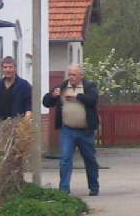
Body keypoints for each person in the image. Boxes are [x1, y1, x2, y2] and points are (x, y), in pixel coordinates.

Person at [43, 64, 100, 196]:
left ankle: (94, 186)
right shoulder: (62, 87)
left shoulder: (89, 86)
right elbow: (46, 102)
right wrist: (53, 95)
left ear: (81, 76)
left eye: (74, 75)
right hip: (67, 130)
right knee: (65, 158)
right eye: (70, 75)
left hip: (85, 131)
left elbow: (93, 100)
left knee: (89, 158)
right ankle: (64, 188)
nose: (71, 77)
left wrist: (77, 96)